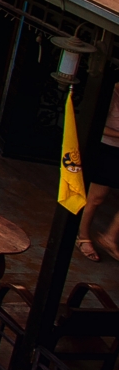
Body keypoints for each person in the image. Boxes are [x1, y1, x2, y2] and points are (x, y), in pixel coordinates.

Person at [81, 90, 119, 260]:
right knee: (96, 198)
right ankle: (82, 237)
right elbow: (96, 125)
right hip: (107, 149)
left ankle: (109, 237)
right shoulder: (112, 94)